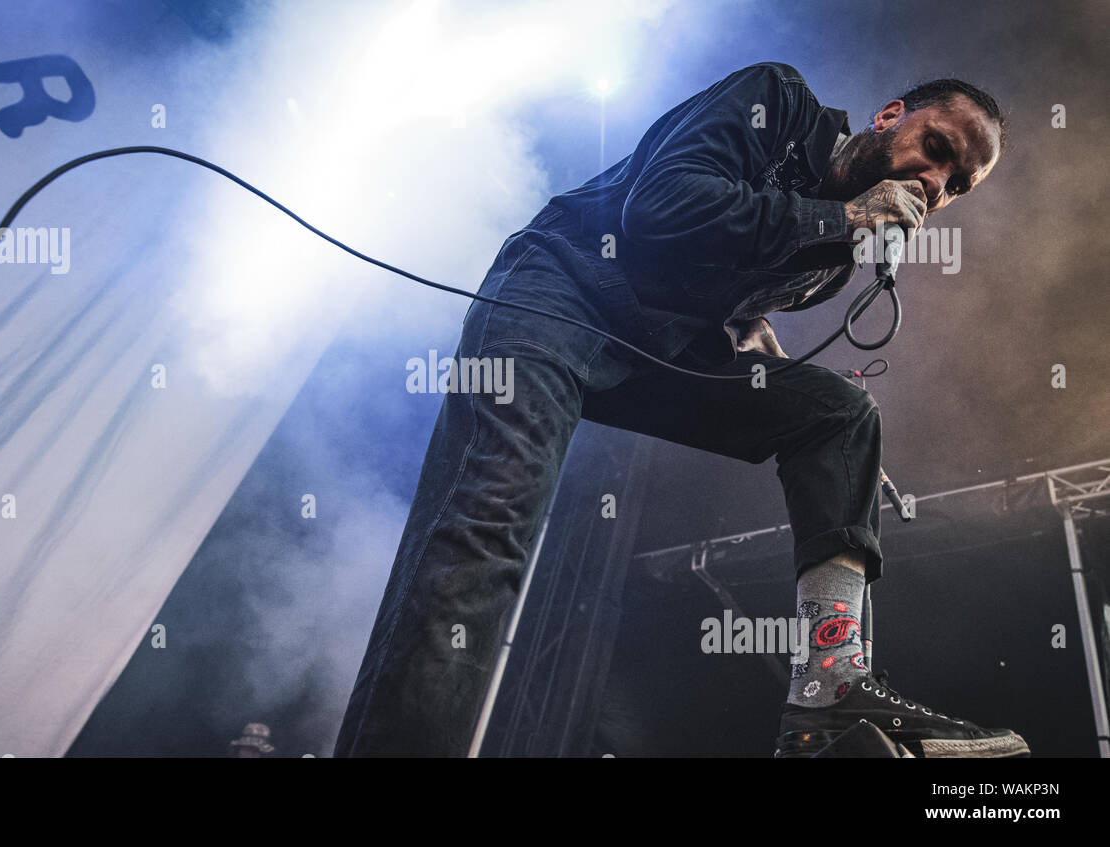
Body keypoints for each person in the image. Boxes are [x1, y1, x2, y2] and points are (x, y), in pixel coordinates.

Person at [335, 61, 1025, 757]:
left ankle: (830, 687)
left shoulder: (838, 260)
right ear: (889, 116)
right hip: (560, 292)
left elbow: (736, 308)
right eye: (935, 149)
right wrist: (841, 216)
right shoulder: (778, 103)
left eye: (956, 185)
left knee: (842, 414)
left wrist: (821, 431)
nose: (934, 183)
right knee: (489, 524)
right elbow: (663, 206)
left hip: (655, 349)